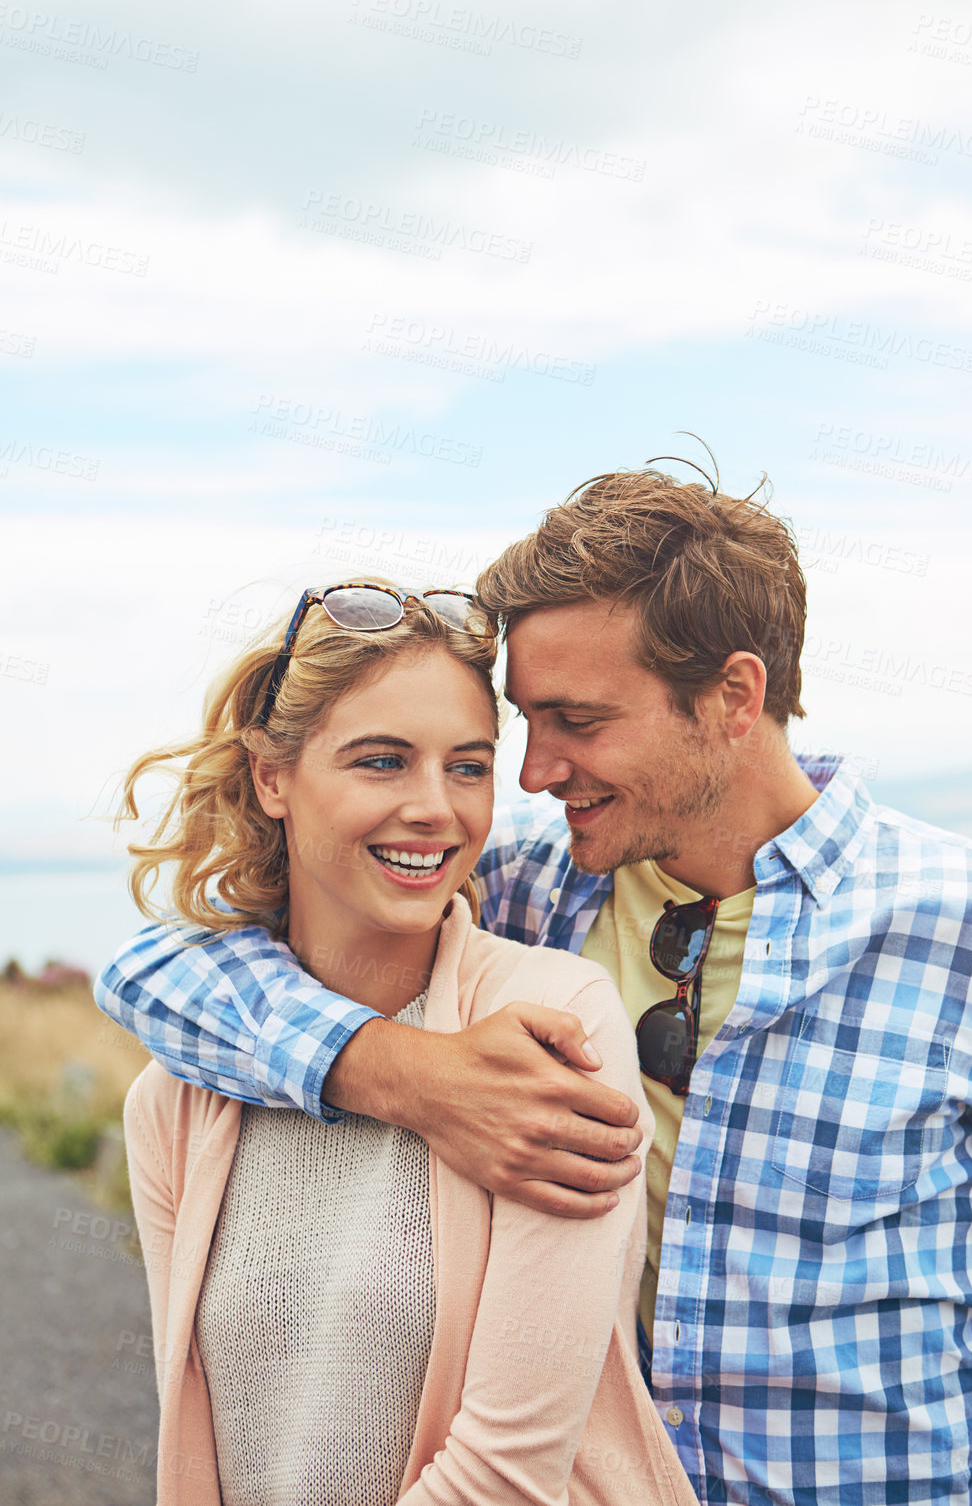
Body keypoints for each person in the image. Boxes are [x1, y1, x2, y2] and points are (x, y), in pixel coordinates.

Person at [99, 466, 972, 1506]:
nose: (532, 771)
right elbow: (163, 971)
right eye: (526, 723)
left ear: (732, 698)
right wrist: (394, 1070)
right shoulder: (523, 892)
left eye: (578, 721)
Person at [114, 581, 697, 1506]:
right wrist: (396, 1069)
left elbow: (508, 1472)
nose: (436, 808)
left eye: (468, 768)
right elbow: (199, 1438)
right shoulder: (176, 1101)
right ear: (273, 778)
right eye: (382, 762)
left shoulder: (553, 1022)